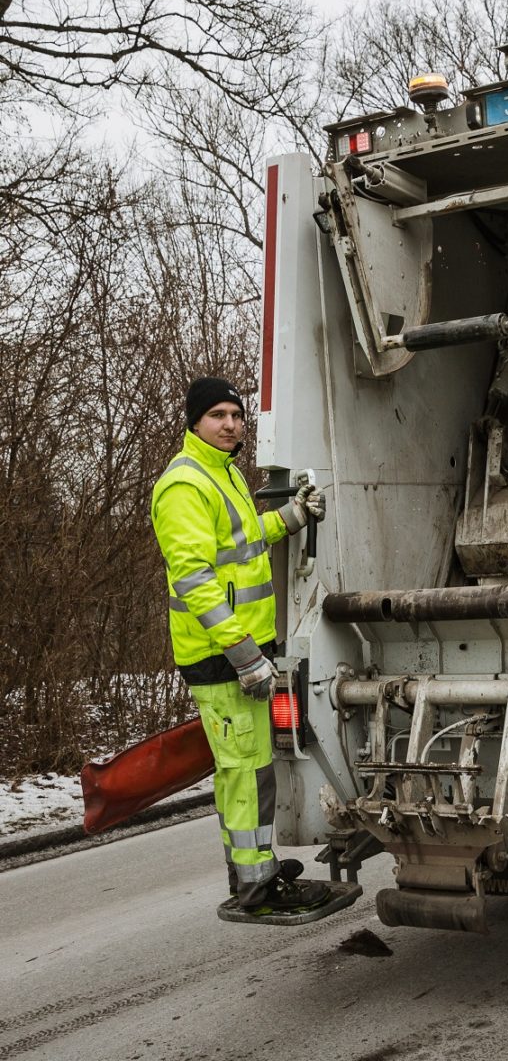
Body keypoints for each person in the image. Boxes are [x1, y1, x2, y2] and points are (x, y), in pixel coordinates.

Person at [151, 376, 329, 913]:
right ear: (194, 421)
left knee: (248, 767)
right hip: (222, 658)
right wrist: (244, 655)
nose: (230, 424)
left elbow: (246, 541)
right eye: (218, 416)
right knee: (246, 771)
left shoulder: (221, 475)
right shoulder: (184, 485)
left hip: (242, 651)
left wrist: (293, 517)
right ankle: (256, 887)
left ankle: (255, 872)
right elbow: (195, 580)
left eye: (236, 414)